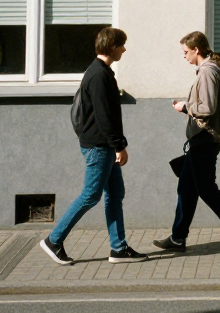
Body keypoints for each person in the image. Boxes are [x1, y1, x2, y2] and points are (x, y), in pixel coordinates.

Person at [40, 27, 148, 266]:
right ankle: (53, 240)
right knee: (90, 196)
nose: (124, 49)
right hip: (100, 147)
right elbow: (105, 116)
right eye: (122, 45)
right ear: (112, 47)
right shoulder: (98, 75)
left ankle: (118, 249)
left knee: (115, 195)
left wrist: (116, 145)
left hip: (104, 146)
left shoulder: (102, 72)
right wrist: (119, 146)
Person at [152, 31, 220, 255]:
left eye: (186, 52)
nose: (184, 56)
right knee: (186, 188)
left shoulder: (207, 72)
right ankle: (178, 238)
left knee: (207, 189)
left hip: (205, 138)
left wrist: (185, 107)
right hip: (201, 138)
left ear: (196, 50)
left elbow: (207, 108)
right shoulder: (207, 70)